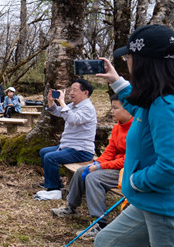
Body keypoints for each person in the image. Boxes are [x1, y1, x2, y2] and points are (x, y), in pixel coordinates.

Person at [93, 24, 174, 247]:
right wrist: (116, 81)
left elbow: (170, 167)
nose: (127, 62)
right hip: (148, 202)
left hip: (164, 207)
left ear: (144, 62)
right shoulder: (155, 99)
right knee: (107, 245)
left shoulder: (165, 106)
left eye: (129, 56)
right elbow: (137, 105)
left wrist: (136, 181)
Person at [51, 94, 133, 238]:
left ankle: (100, 224)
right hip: (115, 166)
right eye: (111, 108)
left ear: (128, 110)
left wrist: (100, 167)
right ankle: (71, 207)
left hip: (128, 171)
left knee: (94, 178)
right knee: (82, 171)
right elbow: (110, 151)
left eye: (115, 108)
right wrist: (97, 163)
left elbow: (129, 160)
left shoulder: (135, 129)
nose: (112, 111)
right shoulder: (116, 128)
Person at [37, 78, 97, 199]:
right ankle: (55, 182)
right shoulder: (74, 105)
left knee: (50, 157)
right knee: (44, 152)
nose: (71, 93)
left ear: (85, 93)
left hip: (81, 150)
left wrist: (63, 102)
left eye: (75, 90)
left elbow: (73, 119)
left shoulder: (88, 108)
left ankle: (54, 188)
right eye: (70, 90)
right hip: (68, 146)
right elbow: (57, 111)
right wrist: (51, 101)